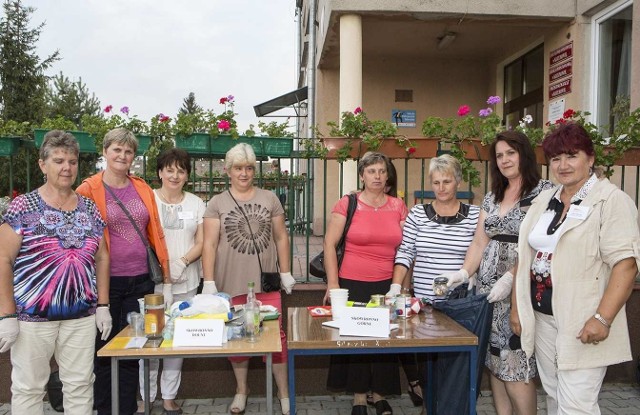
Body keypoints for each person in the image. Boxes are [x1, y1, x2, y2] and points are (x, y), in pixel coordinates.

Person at [511, 122, 640, 414]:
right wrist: (517, 306)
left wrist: (602, 319)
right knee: (555, 397)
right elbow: (524, 253)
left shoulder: (610, 201)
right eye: (555, 158)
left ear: (590, 158)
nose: (562, 165)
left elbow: (626, 265)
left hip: (582, 319)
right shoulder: (546, 200)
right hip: (543, 318)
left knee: (577, 405)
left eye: (571, 155)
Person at [437, 131, 553, 415]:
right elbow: (480, 241)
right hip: (488, 293)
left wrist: (513, 277)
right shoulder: (492, 196)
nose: (504, 160)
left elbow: (541, 245)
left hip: (519, 291)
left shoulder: (545, 193)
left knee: (516, 365)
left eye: (510, 153)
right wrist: (463, 273)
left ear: (524, 154)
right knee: (495, 362)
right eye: (499, 156)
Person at [0, 130, 111, 414]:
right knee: (29, 388)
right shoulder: (22, 206)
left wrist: (103, 305)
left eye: (72, 162)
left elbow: (102, 256)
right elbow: (3, 259)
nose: (66, 167)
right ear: (42, 165)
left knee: (81, 384)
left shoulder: (89, 207)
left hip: (81, 318)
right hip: (31, 319)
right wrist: (7, 315)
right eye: (59, 160)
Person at [77, 128, 170, 415]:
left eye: (128, 151)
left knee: (132, 352)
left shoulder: (141, 187)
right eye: (116, 149)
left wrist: (164, 278)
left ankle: (127, 410)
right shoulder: (87, 189)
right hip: (106, 284)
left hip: (140, 281)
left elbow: (155, 232)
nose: (122, 155)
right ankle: (106, 410)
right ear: (105, 152)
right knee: (104, 353)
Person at [201, 143, 296, 415]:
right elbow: (208, 244)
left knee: (276, 337)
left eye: (249, 168)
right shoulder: (217, 203)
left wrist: (286, 271)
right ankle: (242, 389)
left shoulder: (270, 198)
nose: (244, 173)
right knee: (236, 336)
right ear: (227, 171)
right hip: (229, 281)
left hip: (265, 281)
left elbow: (281, 237)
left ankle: (284, 393)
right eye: (238, 168)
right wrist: (209, 281)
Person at [324, 152, 408, 415]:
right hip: (351, 283)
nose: (377, 176)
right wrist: (333, 284)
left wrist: (402, 287)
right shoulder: (347, 204)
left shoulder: (398, 206)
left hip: (387, 285)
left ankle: (380, 394)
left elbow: (406, 249)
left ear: (387, 176)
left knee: (385, 340)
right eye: (371, 171)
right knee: (355, 339)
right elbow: (329, 245)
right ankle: (359, 397)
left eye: (382, 171)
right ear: (362, 176)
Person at [137, 148, 206, 414]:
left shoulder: (196, 204)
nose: (175, 175)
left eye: (181, 170)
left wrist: (183, 262)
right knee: (151, 339)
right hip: (153, 285)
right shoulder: (147, 200)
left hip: (185, 281)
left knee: (178, 341)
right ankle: (146, 396)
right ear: (159, 173)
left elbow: (202, 242)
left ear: (187, 175)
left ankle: (168, 396)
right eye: (169, 169)